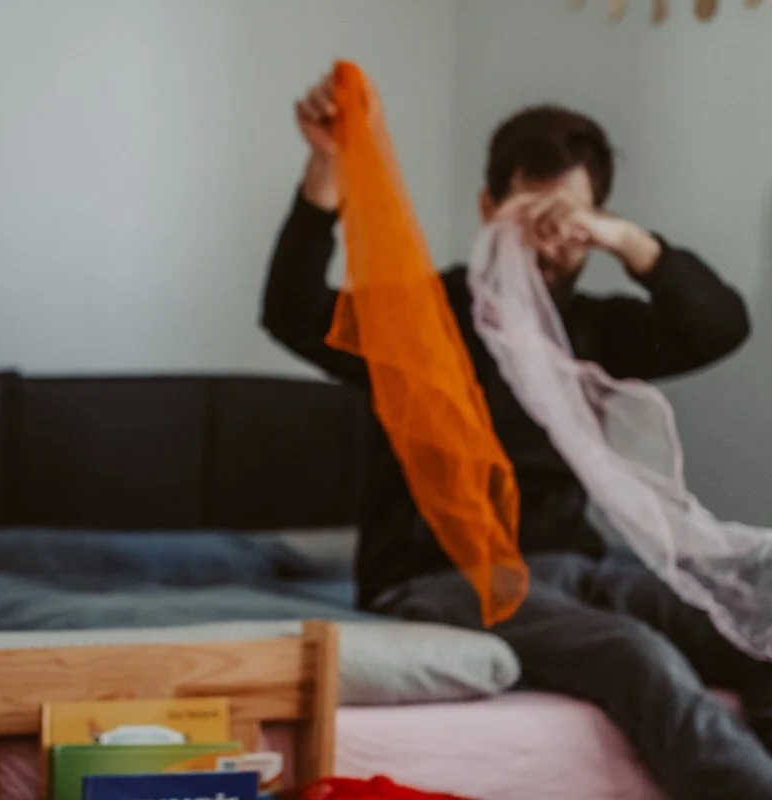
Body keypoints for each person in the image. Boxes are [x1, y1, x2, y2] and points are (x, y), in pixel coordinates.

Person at [262, 69, 772, 799]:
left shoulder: (594, 331)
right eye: (530, 214)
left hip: (577, 570)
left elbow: (719, 324)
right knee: (635, 653)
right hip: (440, 579)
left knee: (760, 623)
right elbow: (292, 311)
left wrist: (621, 237)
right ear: (487, 208)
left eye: (570, 221)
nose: (548, 242)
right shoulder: (424, 315)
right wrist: (327, 167)